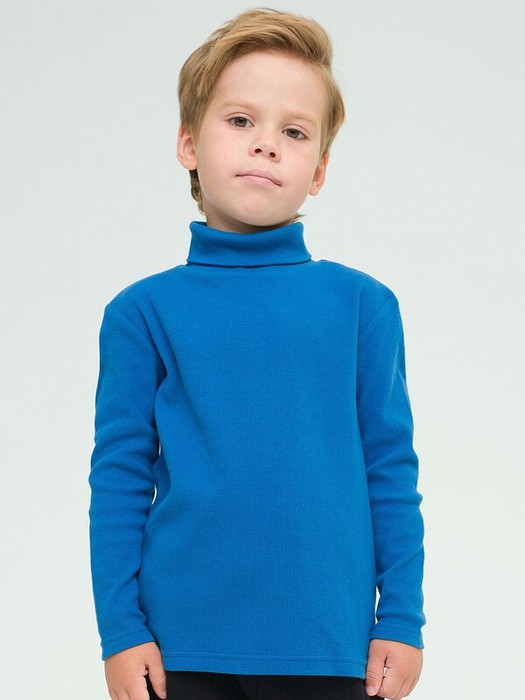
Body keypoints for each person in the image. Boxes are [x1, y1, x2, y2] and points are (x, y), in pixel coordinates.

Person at [88, 8, 426, 700]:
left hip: (329, 647)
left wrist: (401, 618)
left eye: (294, 131)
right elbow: (119, 480)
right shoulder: (141, 313)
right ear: (188, 143)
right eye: (240, 120)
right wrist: (121, 630)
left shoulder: (362, 307)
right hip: (179, 648)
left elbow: (389, 470)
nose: (266, 144)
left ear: (319, 169)